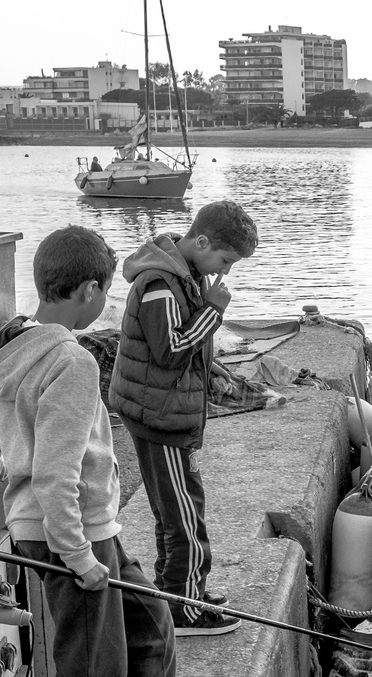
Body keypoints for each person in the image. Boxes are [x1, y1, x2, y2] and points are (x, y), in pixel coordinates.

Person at [0, 225, 198, 677]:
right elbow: (54, 474)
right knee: (91, 656)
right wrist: (80, 557)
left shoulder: (10, 347)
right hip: (73, 534)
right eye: (104, 293)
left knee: (149, 618)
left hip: (77, 528)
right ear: (90, 289)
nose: (106, 307)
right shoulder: (70, 360)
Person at [110, 200, 258, 636]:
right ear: (203, 241)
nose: (225, 272)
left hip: (161, 411)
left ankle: (175, 594)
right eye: (226, 260)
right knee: (185, 519)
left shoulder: (181, 272)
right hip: (162, 419)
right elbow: (171, 352)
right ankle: (185, 610)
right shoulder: (160, 282)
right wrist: (213, 310)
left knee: (174, 512)